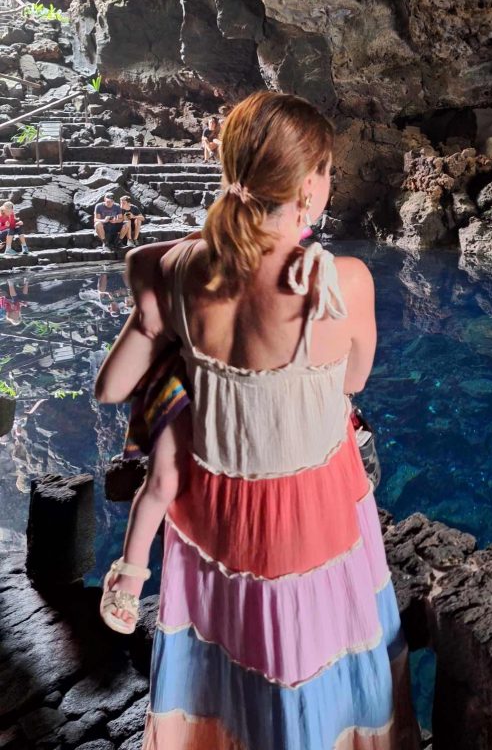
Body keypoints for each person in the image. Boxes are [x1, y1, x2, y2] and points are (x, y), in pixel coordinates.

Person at [94, 91, 420, 750]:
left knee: (236, 661)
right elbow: (352, 382)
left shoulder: (175, 270)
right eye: (325, 170)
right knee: (313, 661)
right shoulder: (344, 281)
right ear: (307, 186)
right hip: (312, 510)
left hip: (219, 512)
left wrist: (191, 263)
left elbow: (113, 387)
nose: (330, 182)